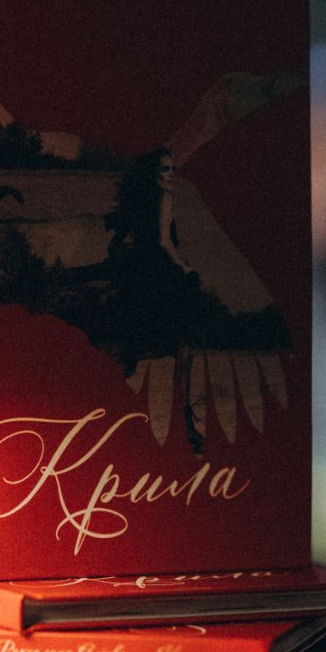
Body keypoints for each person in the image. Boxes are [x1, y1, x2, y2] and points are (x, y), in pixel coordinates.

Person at [106, 146, 207, 451]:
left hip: (139, 275)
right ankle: (186, 425)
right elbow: (164, 241)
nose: (171, 175)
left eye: (173, 169)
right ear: (153, 173)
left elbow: (120, 242)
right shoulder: (164, 197)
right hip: (161, 275)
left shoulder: (137, 200)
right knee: (185, 346)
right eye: (165, 169)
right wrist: (183, 266)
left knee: (133, 353)